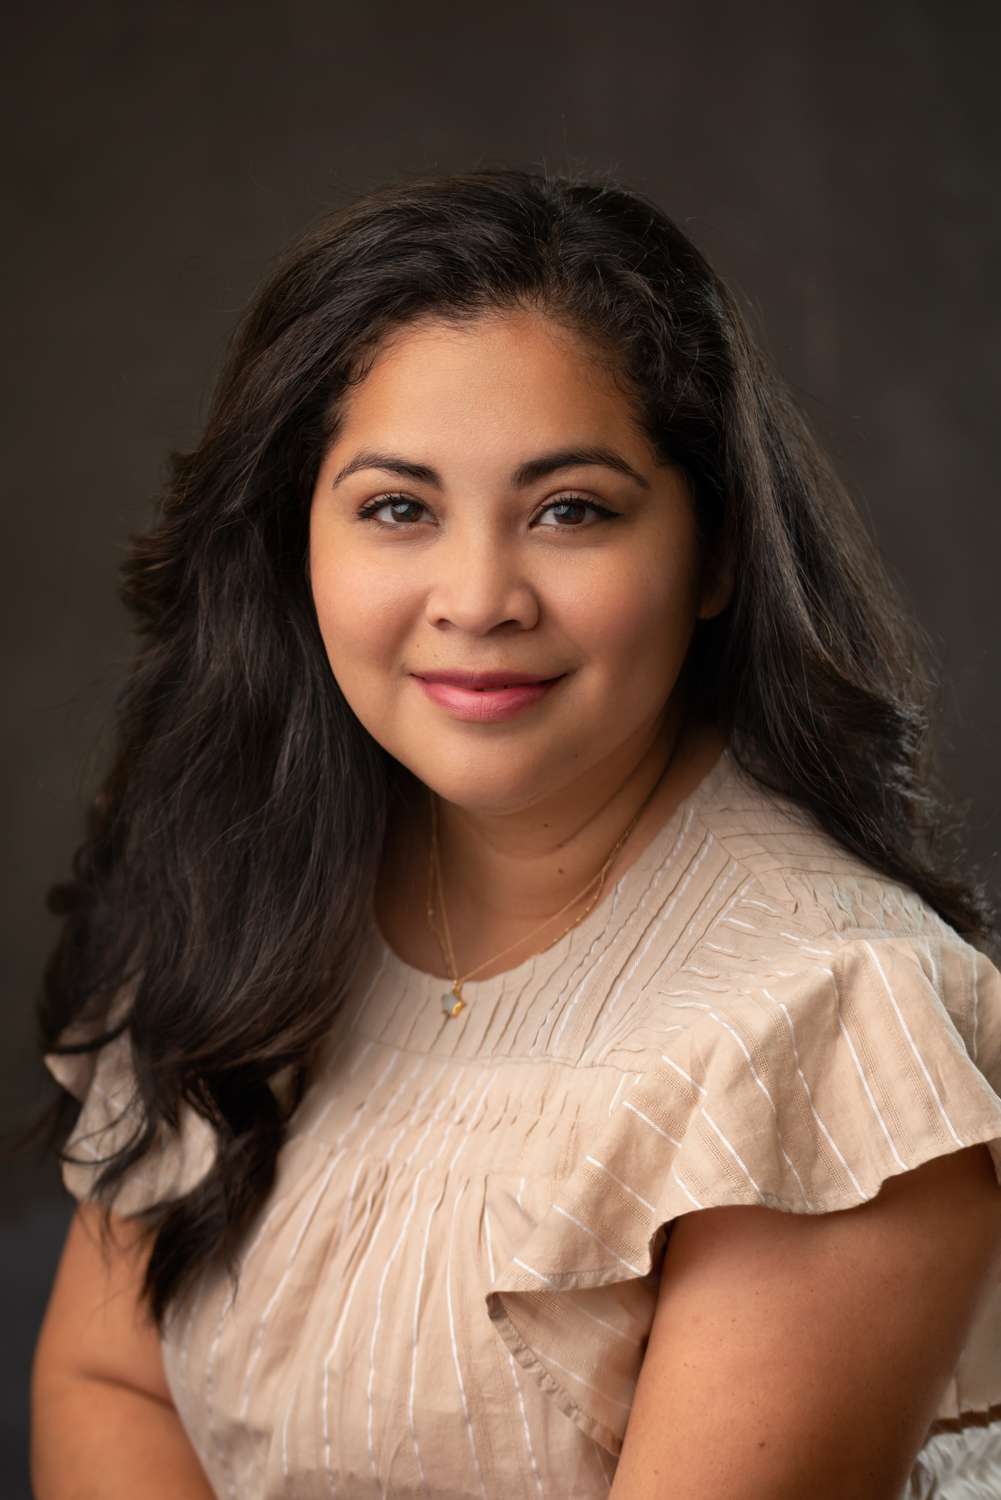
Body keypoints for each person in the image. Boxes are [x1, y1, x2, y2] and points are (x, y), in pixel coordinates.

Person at [26, 165, 1001, 1500]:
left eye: (570, 510)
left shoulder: (832, 1019)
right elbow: (109, 1382)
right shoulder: (235, 885)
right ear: (292, 542)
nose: (477, 598)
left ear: (713, 554)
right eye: (395, 508)